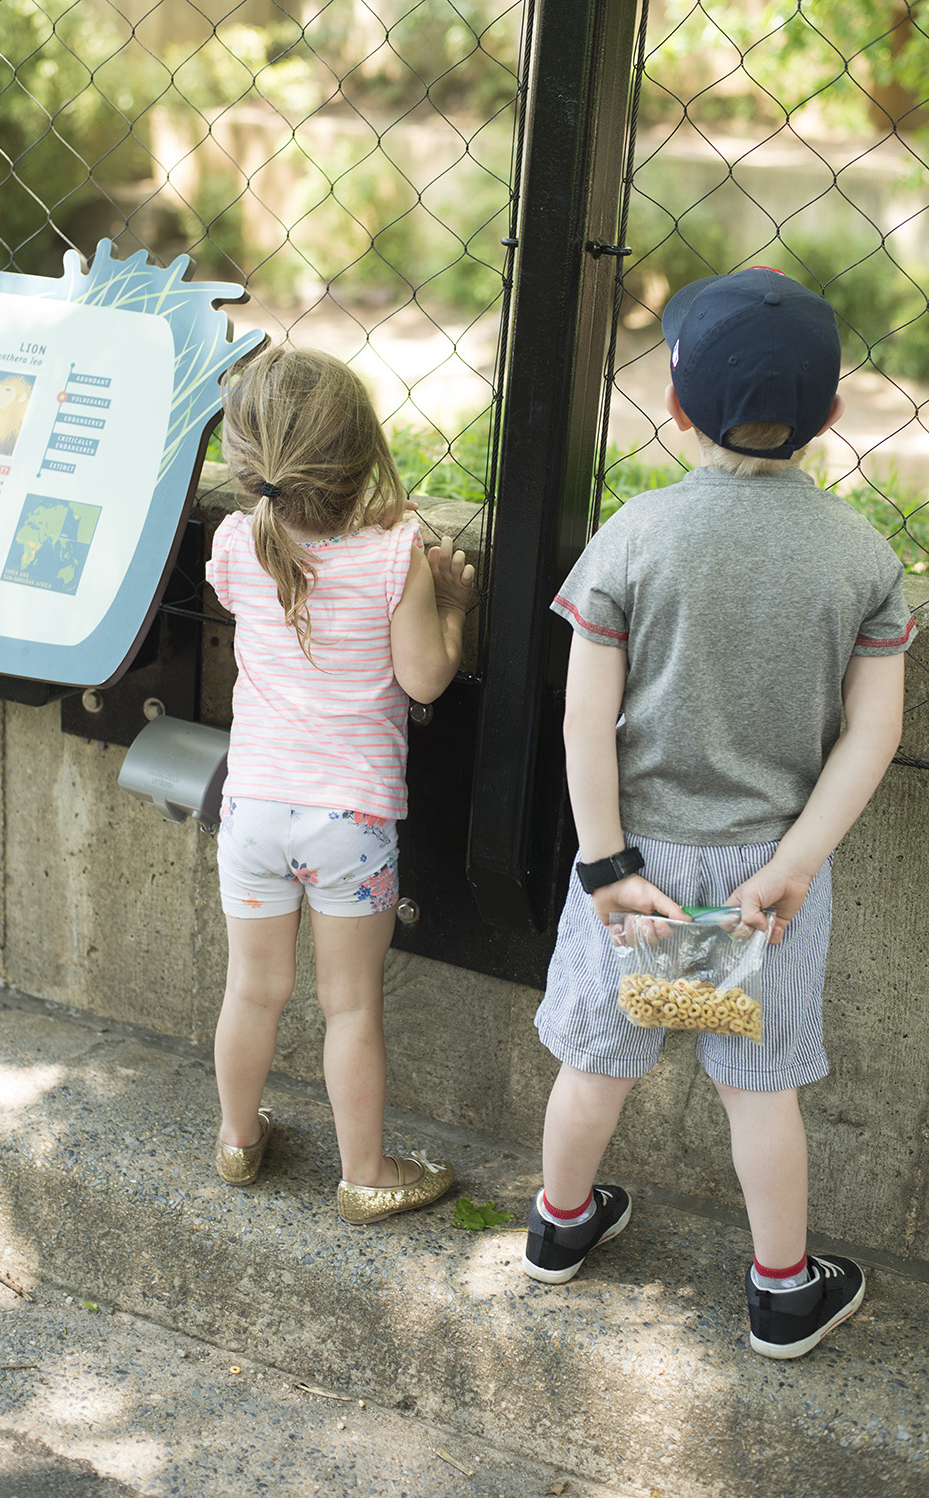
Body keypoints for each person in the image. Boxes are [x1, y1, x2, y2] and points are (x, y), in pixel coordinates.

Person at [524, 267, 915, 1358]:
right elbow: (871, 734)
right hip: (765, 883)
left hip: (637, 864)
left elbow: (581, 717)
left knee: (598, 1060)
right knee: (757, 1087)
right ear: (832, 416)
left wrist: (603, 863)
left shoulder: (635, 536)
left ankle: (560, 1229)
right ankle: (782, 1290)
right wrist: (793, 862)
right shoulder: (863, 559)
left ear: (675, 404)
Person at [205, 344, 475, 1225]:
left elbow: (242, 598)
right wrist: (454, 605)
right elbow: (427, 680)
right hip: (347, 821)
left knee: (253, 989)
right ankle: (366, 1172)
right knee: (349, 1002)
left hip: (250, 810)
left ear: (250, 465)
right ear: (362, 455)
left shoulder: (235, 541)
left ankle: (239, 1139)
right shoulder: (398, 553)